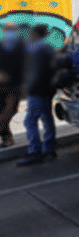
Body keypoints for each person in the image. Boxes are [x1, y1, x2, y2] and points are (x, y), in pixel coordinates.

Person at [16, 24, 58, 166]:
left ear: (35, 34)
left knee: (30, 121)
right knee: (46, 119)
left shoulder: (38, 49)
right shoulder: (47, 48)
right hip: (45, 90)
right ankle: (50, 150)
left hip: (37, 91)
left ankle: (35, 151)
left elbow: (36, 74)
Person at [0, 21, 25, 148]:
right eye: (8, 29)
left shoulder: (21, 46)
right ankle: (7, 137)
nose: (10, 32)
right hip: (2, 86)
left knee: (11, 110)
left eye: (12, 29)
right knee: (3, 110)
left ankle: (6, 136)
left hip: (15, 86)